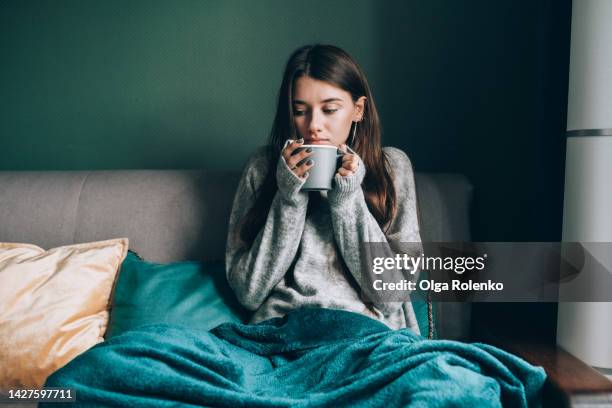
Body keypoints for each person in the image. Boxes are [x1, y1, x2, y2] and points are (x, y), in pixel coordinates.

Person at [225, 44, 423, 332]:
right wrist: (288, 197)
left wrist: (347, 199)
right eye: (300, 111)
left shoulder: (392, 167)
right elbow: (249, 293)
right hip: (281, 332)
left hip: (366, 335)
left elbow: (391, 296)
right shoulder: (262, 166)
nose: (313, 125)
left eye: (330, 109)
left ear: (358, 110)